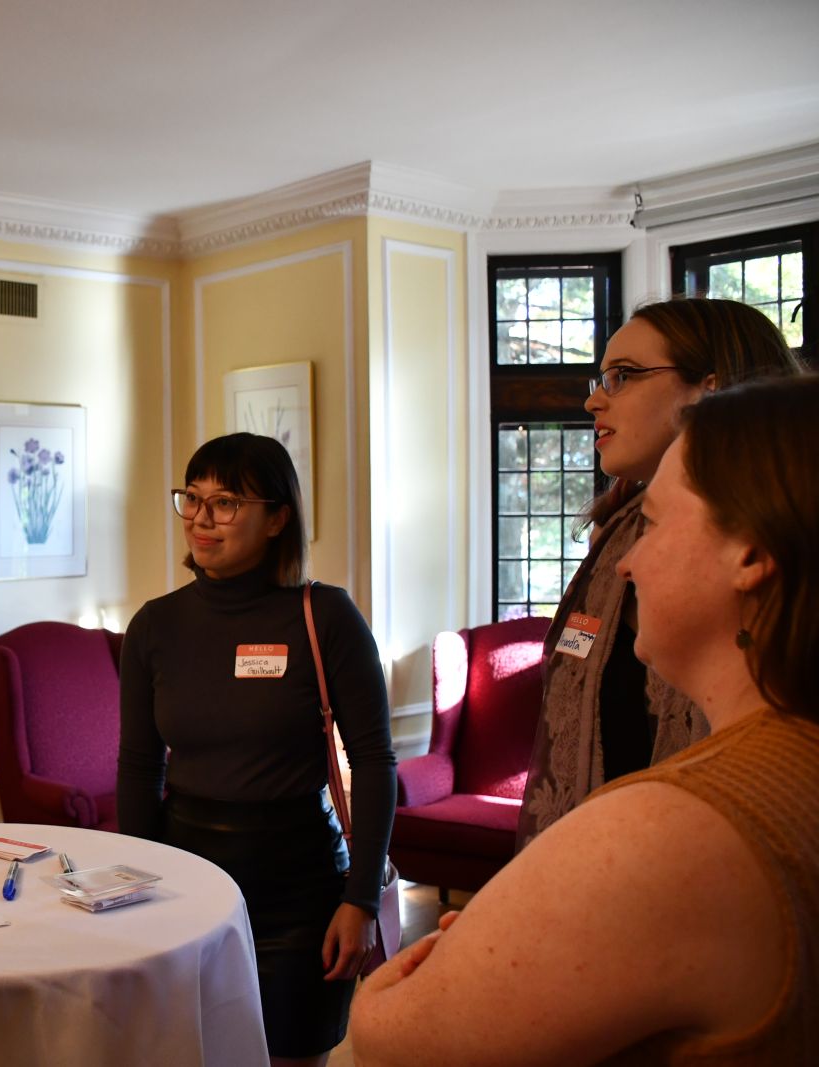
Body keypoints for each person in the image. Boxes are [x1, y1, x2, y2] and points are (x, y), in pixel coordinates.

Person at [350, 375, 819, 1066]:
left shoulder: (674, 829)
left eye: (653, 523)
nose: (627, 560)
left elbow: (390, 1036)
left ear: (749, 552)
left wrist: (443, 958)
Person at [118, 432, 396, 1067]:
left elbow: (376, 763)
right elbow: (138, 767)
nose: (201, 519)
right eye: (192, 498)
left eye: (226, 502)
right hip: (186, 878)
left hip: (299, 892)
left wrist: (358, 900)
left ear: (277, 517)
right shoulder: (155, 627)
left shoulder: (324, 617)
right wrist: (138, 886)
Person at [518, 296, 801, 846]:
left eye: (622, 376)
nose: (594, 401)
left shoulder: (786, 561)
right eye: (600, 377)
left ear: (711, 391)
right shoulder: (612, 539)